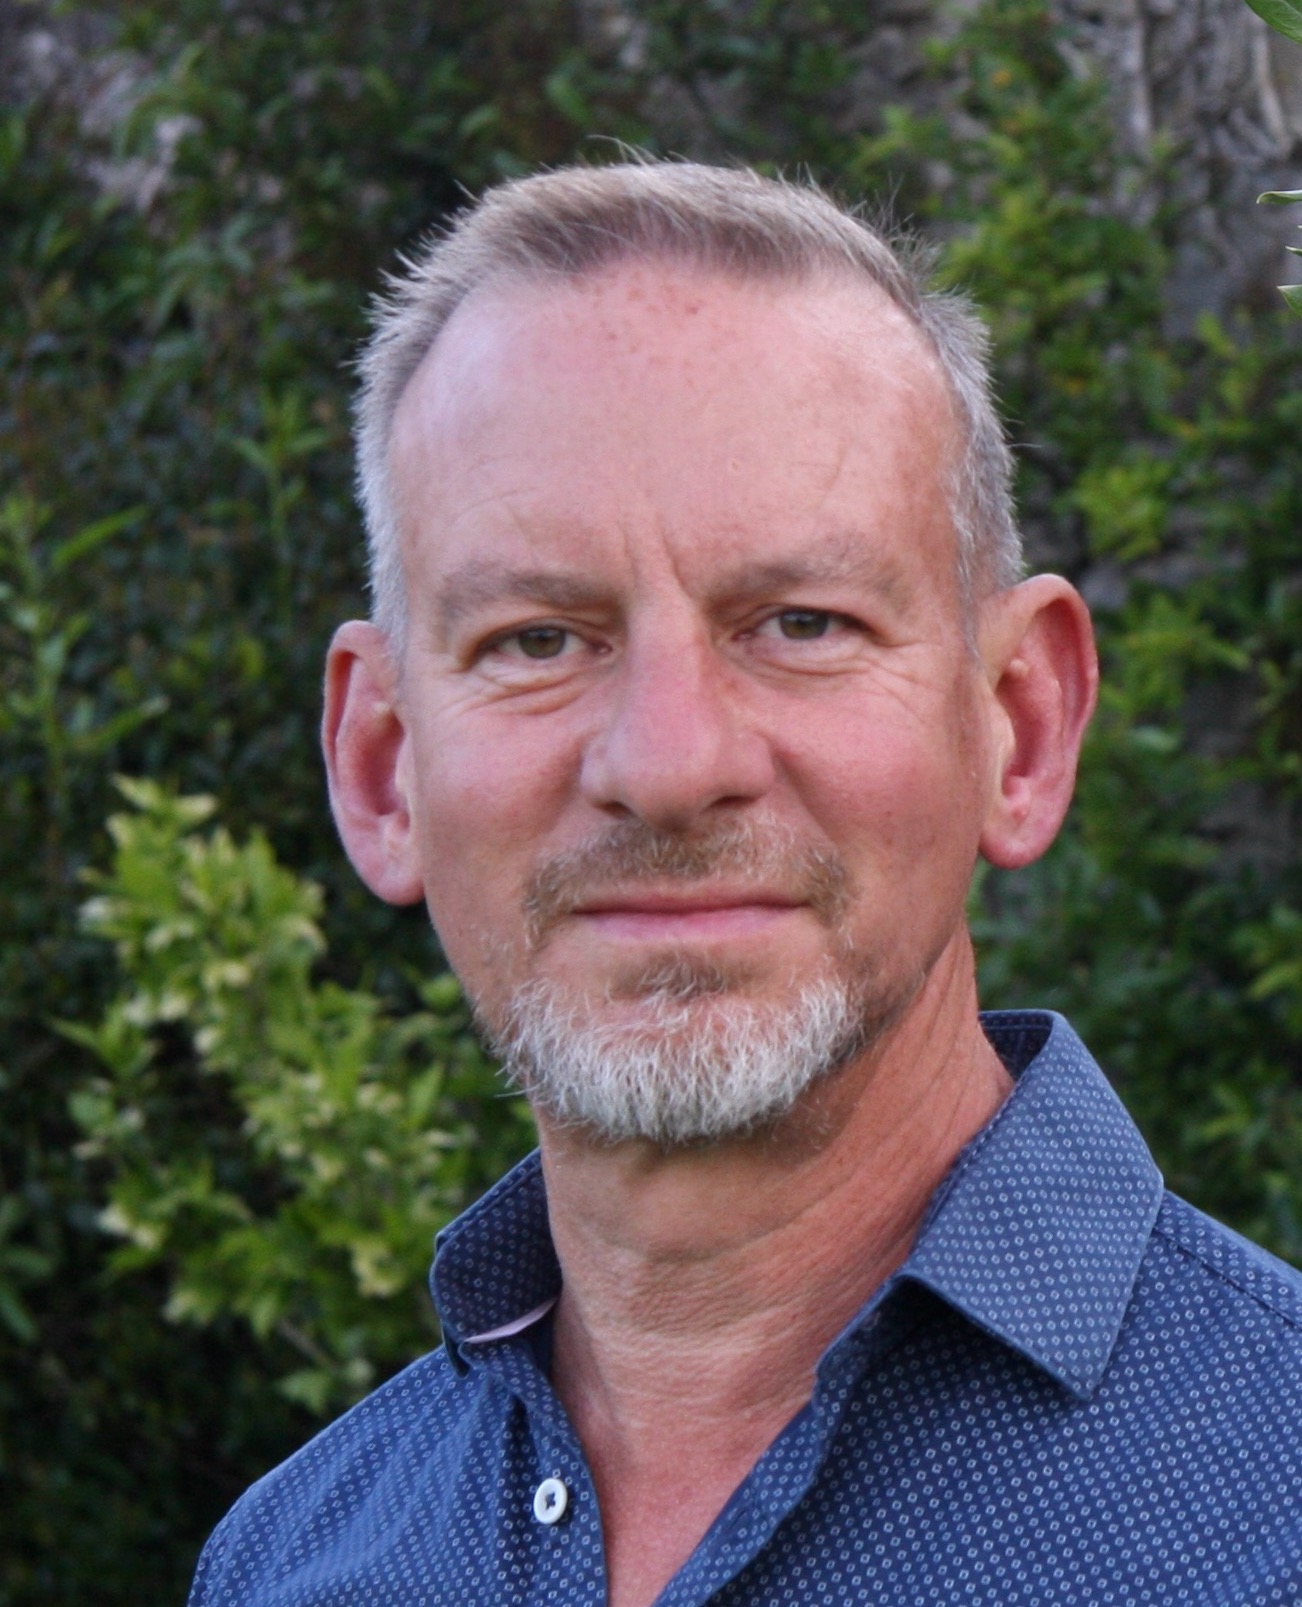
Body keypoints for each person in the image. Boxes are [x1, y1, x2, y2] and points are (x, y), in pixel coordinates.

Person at [189, 161, 1302, 1607]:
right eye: (538, 640)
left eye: (800, 623)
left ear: (1017, 728)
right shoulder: (288, 1564)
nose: (667, 764)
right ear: (382, 768)